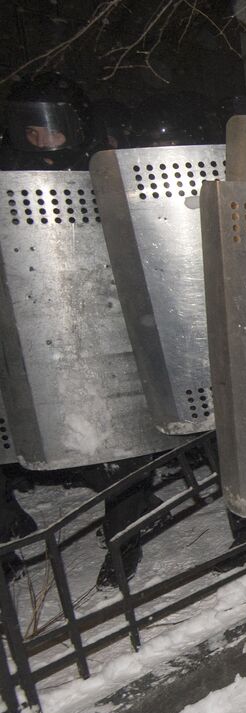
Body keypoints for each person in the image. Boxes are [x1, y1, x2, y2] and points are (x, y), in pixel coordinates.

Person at [1, 72, 163, 589]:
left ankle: (126, 533)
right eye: (34, 132)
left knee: (123, 444)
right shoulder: (6, 179)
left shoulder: (102, 173)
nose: (47, 142)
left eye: (56, 128)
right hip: (33, 330)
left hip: (107, 321)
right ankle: (11, 533)